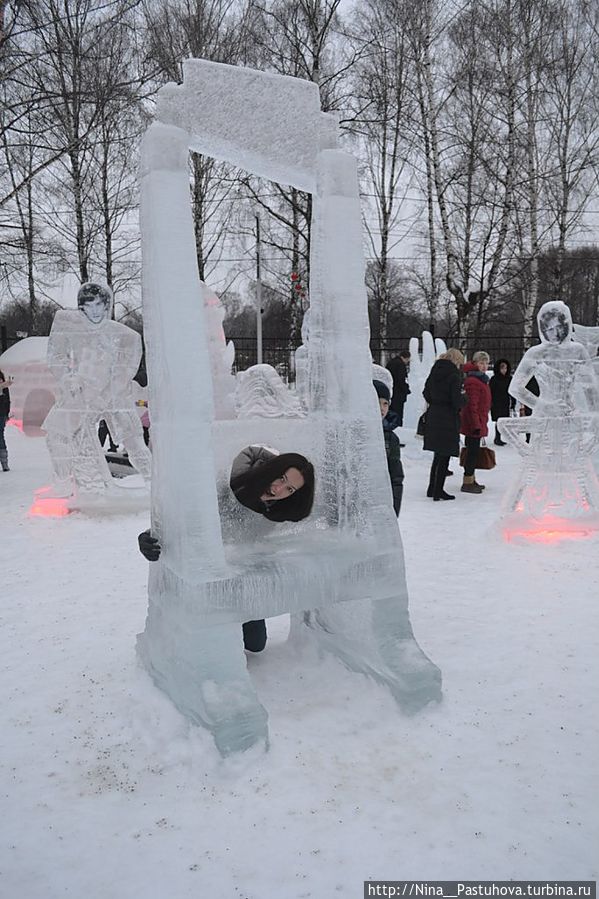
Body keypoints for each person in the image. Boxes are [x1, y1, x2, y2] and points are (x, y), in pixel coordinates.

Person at [138, 445, 315, 652]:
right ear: (271, 469)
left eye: (290, 489)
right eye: (281, 478)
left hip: (241, 576)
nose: (278, 489)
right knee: (209, 640)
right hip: (204, 572)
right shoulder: (225, 484)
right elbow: (184, 517)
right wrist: (150, 536)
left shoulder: (276, 513)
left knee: (255, 645)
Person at [422, 348, 466, 501]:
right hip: (447, 417)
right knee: (445, 454)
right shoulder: (454, 375)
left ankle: (431, 488)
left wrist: (435, 402)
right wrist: (464, 399)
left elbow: (425, 393)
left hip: (434, 414)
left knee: (437, 454)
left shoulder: (434, 372)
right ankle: (438, 490)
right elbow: (456, 401)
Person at [460, 350, 492, 494]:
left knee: (474, 451)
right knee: (472, 452)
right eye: (481, 363)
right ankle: (467, 481)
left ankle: (471, 478)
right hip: (474, 423)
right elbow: (471, 405)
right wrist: (476, 425)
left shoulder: (480, 379)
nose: (484, 366)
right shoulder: (473, 381)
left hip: (478, 421)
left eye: (486, 363)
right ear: (475, 363)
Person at [373, 380, 404, 515]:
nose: (381, 408)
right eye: (377, 402)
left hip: (380, 504)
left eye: (385, 403)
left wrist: (393, 510)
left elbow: (396, 477)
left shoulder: (390, 438)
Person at [489, 358, 515, 445]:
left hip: (505, 402)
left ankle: (505, 436)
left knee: (505, 420)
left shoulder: (509, 379)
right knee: (498, 420)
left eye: (506, 368)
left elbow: (512, 391)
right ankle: (497, 437)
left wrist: (513, 402)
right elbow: (490, 392)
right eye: (502, 368)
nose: (504, 370)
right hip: (496, 403)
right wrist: (490, 402)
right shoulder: (494, 379)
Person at [386, 351, 411, 428]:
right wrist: (406, 389)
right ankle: (397, 427)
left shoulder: (390, 363)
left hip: (390, 391)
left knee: (390, 412)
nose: (407, 362)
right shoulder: (401, 365)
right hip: (398, 393)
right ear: (405, 358)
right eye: (408, 360)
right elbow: (401, 380)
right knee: (398, 413)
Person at [0, 370, 13, 472]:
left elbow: (7, 398)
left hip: (1, 413)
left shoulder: (2, 377)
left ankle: (4, 463)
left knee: (0, 436)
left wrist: (6, 413)